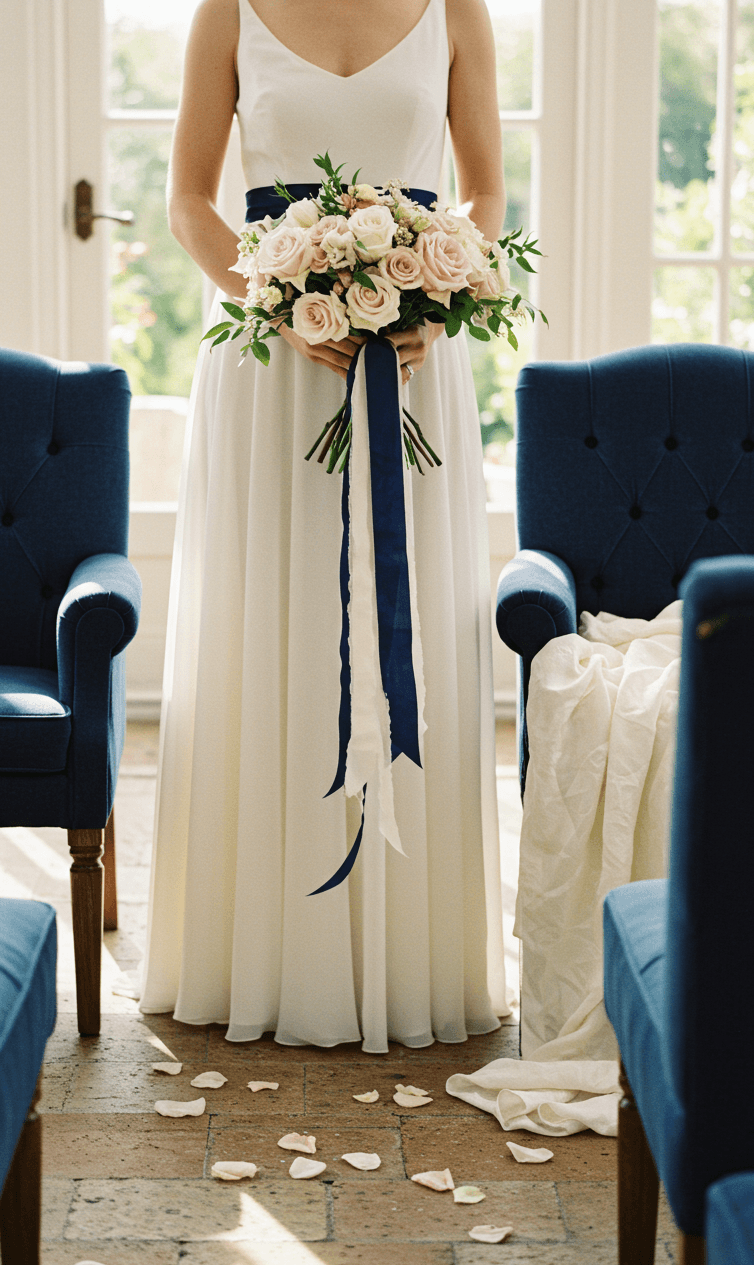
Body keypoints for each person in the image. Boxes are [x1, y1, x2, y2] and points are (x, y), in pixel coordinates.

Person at [139, 0, 509, 1054]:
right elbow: (185, 201)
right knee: (270, 622)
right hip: (269, 361)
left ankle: (409, 956)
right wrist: (274, 294)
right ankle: (257, 947)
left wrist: (435, 293)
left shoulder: (455, 8)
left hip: (412, 358)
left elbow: (482, 190)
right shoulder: (228, 9)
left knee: (409, 621)